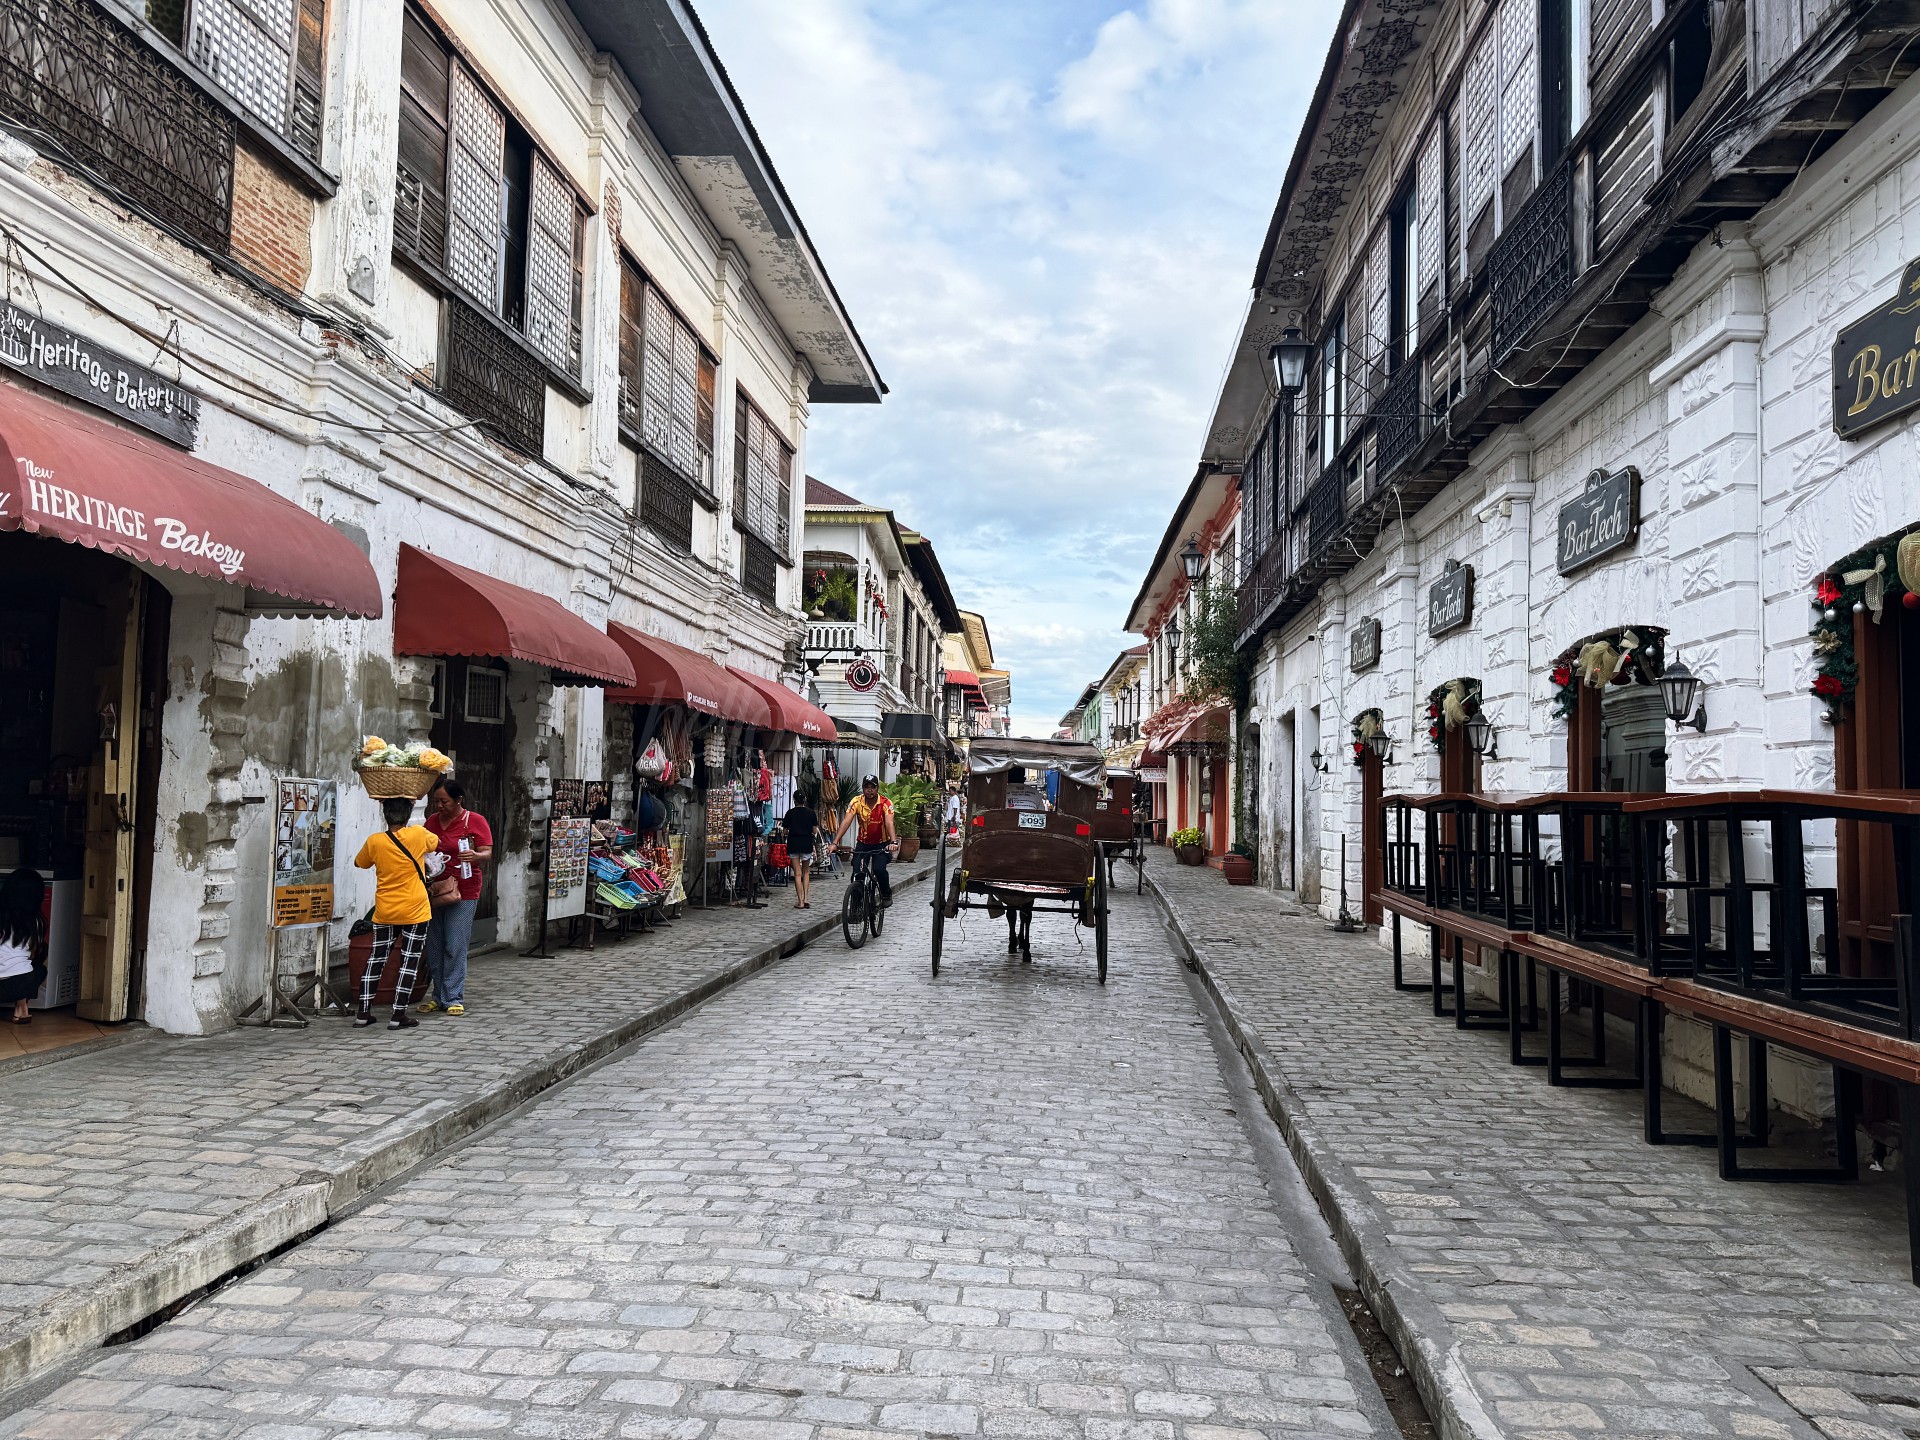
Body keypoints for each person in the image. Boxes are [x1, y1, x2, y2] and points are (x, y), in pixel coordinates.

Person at [351, 796, 437, 1030]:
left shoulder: (375, 841)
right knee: (409, 961)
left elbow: (360, 863)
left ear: (385, 815)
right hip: (415, 909)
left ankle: (363, 1013)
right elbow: (435, 843)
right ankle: (398, 1015)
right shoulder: (418, 834)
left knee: (376, 959)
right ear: (407, 816)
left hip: (385, 910)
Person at [420, 780, 492, 1016]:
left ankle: (453, 997)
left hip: (464, 890)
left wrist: (476, 856)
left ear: (459, 800)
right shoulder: (432, 821)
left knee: (454, 944)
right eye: (436, 801)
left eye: (445, 801)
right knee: (434, 945)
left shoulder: (475, 821)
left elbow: (487, 852)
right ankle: (437, 996)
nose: (439, 806)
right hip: (434, 889)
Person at [833, 775, 897, 907]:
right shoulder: (856, 801)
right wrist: (835, 843)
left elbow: (889, 823)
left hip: (881, 844)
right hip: (863, 844)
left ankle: (886, 893)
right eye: (867, 787)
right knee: (857, 873)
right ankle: (856, 906)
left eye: (873, 787)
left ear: (877, 789)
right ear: (863, 788)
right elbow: (846, 821)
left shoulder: (885, 803)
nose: (870, 790)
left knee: (879, 869)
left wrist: (893, 842)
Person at [0, 869, 48, 1024]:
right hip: (20, 985)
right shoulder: (36, 921)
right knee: (38, 967)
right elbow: (34, 953)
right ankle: (21, 1009)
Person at [782, 795, 818, 910]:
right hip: (806, 843)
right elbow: (814, 830)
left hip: (794, 843)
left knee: (797, 874)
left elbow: (785, 831)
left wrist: (793, 831)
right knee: (806, 872)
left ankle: (800, 901)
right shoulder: (811, 813)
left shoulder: (790, 813)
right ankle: (806, 898)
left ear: (794, 800)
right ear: (805, 800)